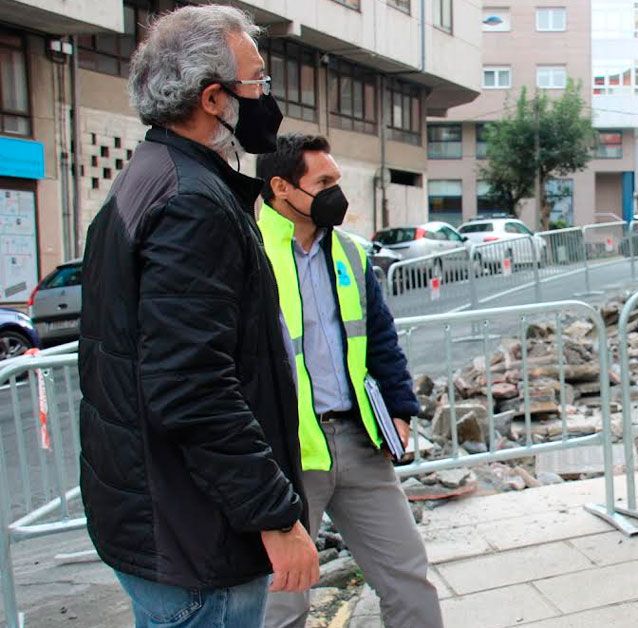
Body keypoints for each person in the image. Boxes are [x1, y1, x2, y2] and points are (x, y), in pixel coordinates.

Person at [78, 6, 319, 627]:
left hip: (161, 523)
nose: (269, 97)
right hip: (195, 539)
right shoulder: (191, 204)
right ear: (214, 98)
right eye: (258, 81)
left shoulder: (146, 180)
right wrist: (275, 515)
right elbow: (193, 387)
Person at [257, 134, 444, 628]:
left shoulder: (351, 254)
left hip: (359, 442)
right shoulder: (246, 254)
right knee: (281, 602)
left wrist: (399, 411)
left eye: (337, 181)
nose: (337, 193)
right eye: (324, 182)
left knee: (409, 578)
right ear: (281, 187)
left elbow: (380, 342)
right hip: (289, 455)